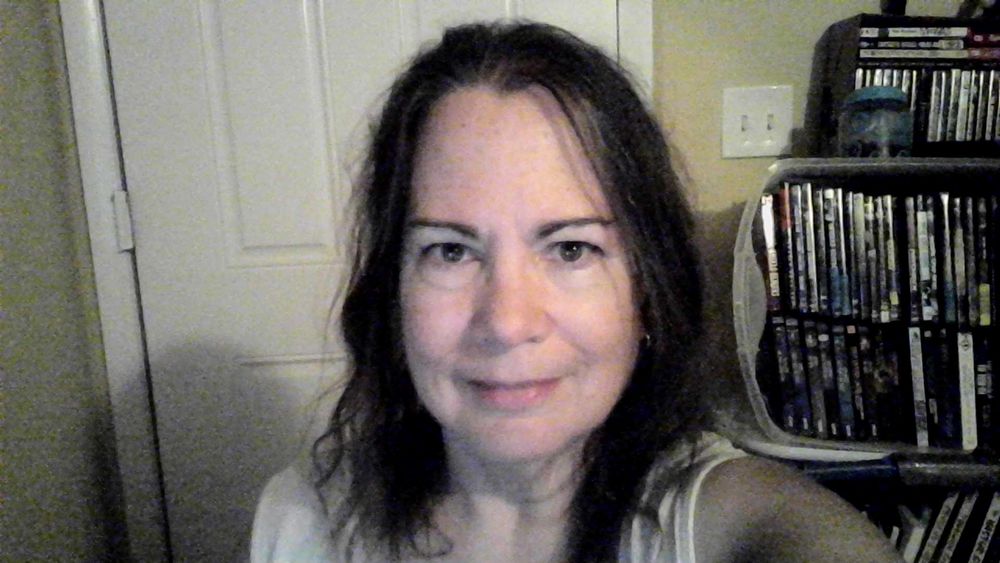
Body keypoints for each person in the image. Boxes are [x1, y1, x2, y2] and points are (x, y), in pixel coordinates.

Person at [251, 21, 901, 563]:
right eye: (450, 250)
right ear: (392, 292)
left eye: (571, 248)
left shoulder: (717, 520)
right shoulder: (300, 520)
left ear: (646, 290)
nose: (508, 321)